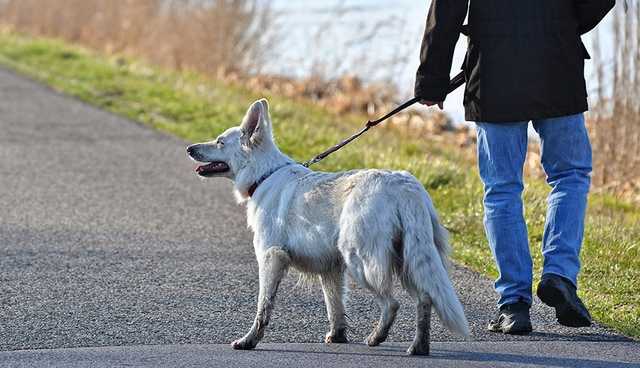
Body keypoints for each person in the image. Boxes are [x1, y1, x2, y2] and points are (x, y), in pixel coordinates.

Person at [415, 0, 615, 334]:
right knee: (570, 176)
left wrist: (431, 80)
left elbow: (446, 11)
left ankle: (513, 305)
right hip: (557, 62)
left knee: (502, 189)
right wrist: (563, 24)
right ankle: (560, 274)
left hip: (494, 71)